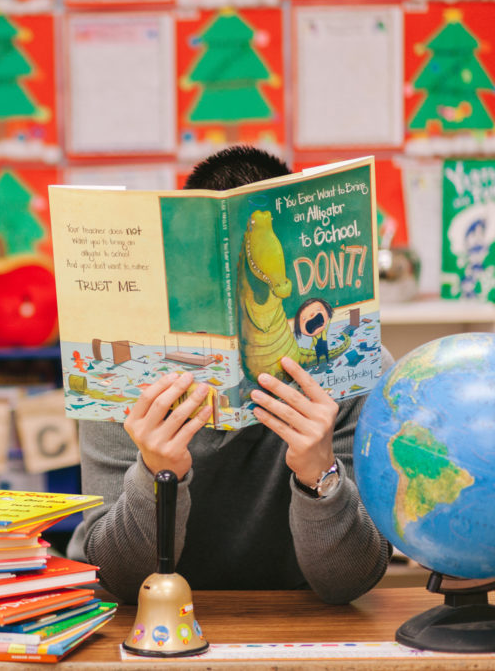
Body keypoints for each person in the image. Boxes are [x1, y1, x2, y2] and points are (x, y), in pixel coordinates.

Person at [67, 146, 393, 605]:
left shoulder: (364, 370)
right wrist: (157, 475)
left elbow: (349, 581)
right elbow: (116, 580)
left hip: (300, 622)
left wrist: (320, 475)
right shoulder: (124, 378)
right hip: (156, 627)